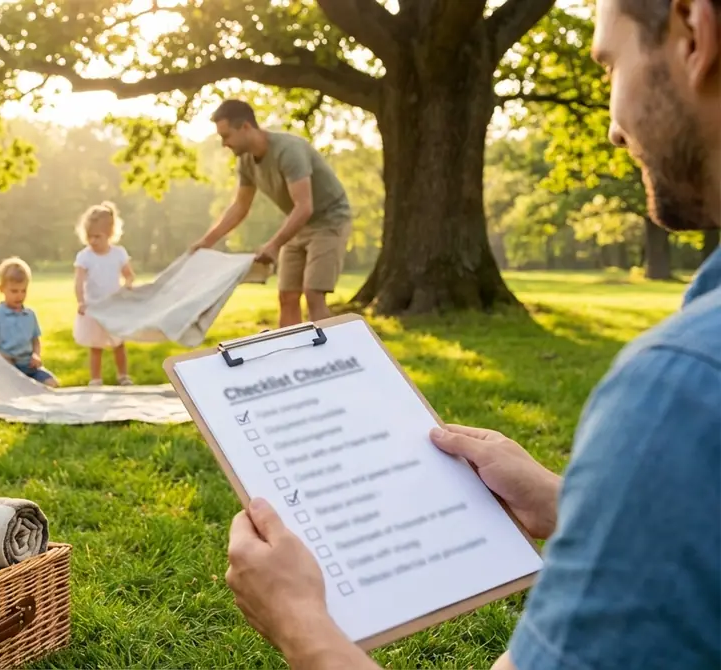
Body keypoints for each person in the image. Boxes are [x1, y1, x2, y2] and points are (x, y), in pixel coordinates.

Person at [223, 1, 721, 668]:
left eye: (610, 65)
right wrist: (566, 504)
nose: (612, 130)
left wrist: (302, 626)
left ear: (696, 31)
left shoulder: (684, 385)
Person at [190, 99, 353, 326]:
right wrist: (206, 242)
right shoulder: (245, 162)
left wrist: (274, 244)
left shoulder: (289, 151)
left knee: (313, 293)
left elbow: (305, 206)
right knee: (287, 296)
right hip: (298, 223)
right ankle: (291, 358)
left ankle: (338, 356)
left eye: (226, 136)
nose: (223, 144)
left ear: (246, 127)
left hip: (329, 219)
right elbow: (239, 207)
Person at [74, 201, 136, 386]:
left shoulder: (118, 254)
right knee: (96, 346)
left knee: (118, 344)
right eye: (89, 237)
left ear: (109, 234)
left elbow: (129, 276)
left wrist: (128, 287)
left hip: (114, 307)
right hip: (94, 308)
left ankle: (123, 375)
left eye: (97, 236)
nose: (93, 241)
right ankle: (96, 379)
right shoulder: (85, 256)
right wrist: (80, 301)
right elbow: (78, 282)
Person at [0, 257, 59, 387]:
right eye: (14, 291)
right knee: (11, 391)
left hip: (30, 367)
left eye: (23, 291)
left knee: (53, 384)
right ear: (1, 289)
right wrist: (1, 357)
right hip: (7, 369)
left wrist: (36, 355)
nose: (19, 296)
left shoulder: (30, 315)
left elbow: (35, 340)